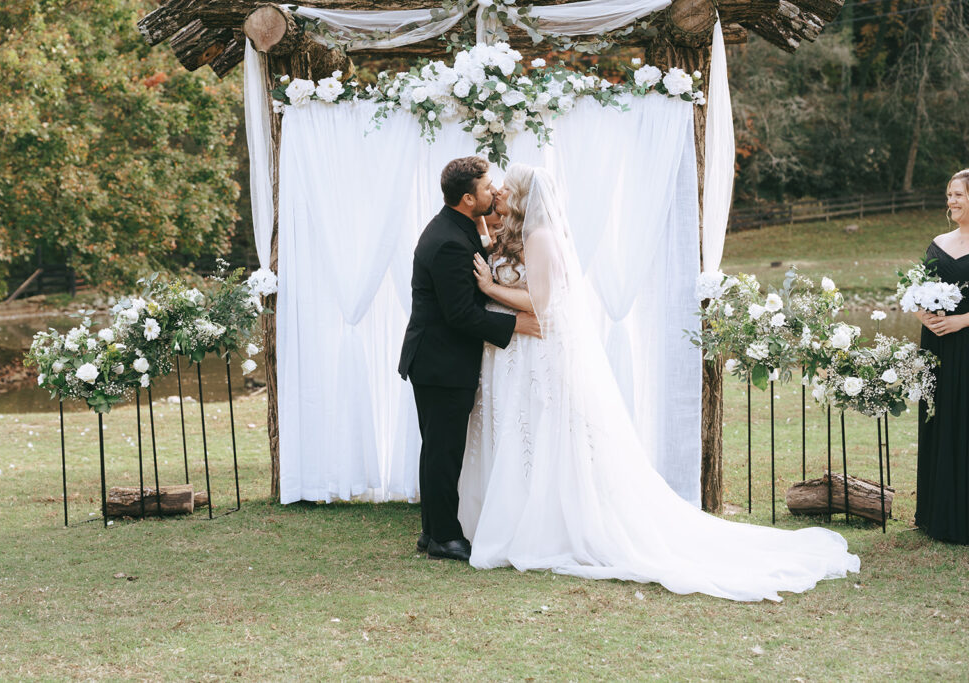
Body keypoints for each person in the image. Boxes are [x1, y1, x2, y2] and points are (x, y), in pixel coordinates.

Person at [458, 163, 860, 602]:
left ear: (523, 196)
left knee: (541, 434)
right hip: (517, 353)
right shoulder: (514, 232)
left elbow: (542, 301)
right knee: (525, 434)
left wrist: (490, 288)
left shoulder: (542, 237)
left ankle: (545, 527)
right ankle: (517, 516)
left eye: (506, 188)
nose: (499, 192)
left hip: (537, 352)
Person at [399, 156, 541, 562]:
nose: (493, 191)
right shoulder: (448, 241)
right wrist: (516, 325)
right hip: (439, 363)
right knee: (443, 452)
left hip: (438, 360)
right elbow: (460, 314)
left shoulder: (458, 227)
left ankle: (432, 531)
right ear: (467, 198)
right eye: (486, 187)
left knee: (438, 449)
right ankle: (444, 536)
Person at [913, 168, 969, 545]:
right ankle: (936, 513)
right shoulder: (938, 242)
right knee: (938, 418)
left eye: (958, 195)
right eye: (949, 194)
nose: (951, 201)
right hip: (937, 346)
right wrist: (923, 315)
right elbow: (915, 289)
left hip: (966, 342)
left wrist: (962, 321)